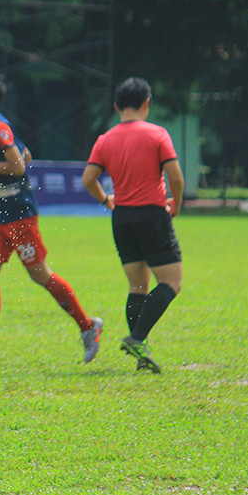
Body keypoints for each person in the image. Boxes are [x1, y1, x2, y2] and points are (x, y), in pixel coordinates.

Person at [0, 72, 103, 365]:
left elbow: (19, 166)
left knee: (40, 275)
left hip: (19, 216)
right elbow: (25, 156)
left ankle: (88, 327)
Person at [82, 77, 184, 374]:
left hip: (122, 218)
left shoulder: (105, 139)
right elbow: (175, 177)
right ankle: (137, 338)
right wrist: (176, 202)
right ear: (146, 103)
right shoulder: (157, 134)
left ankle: (141, 354)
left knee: (137, 286)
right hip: (152, 214)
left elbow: (88, 179)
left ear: (117, 106)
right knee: (171, 282)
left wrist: (106, 200)